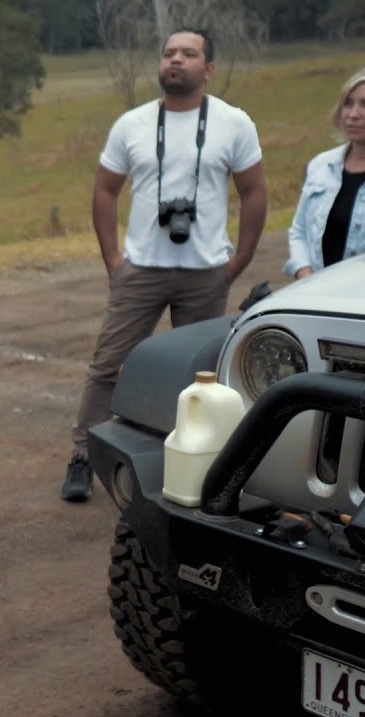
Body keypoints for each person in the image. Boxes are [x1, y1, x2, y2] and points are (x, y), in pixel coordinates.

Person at [61, 28, 268, 502]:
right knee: (107, 366)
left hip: (206, 272)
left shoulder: (234, 123)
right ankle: (82, 455)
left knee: (201, 375)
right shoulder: (132, 123)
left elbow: (254, 191)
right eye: (169, 53)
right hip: (142, 269)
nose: (176, 60)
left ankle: (193, 467)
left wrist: (240, 259)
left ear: (208, 70)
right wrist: (114, 259)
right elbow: (105, 190)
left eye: (189, 54)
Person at [286, 68, 365, 279]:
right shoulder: (321, 166)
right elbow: (299, 231)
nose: (354, 114)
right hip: (319, 299)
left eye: (364, 104)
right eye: (348, 103)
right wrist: (306, 275)